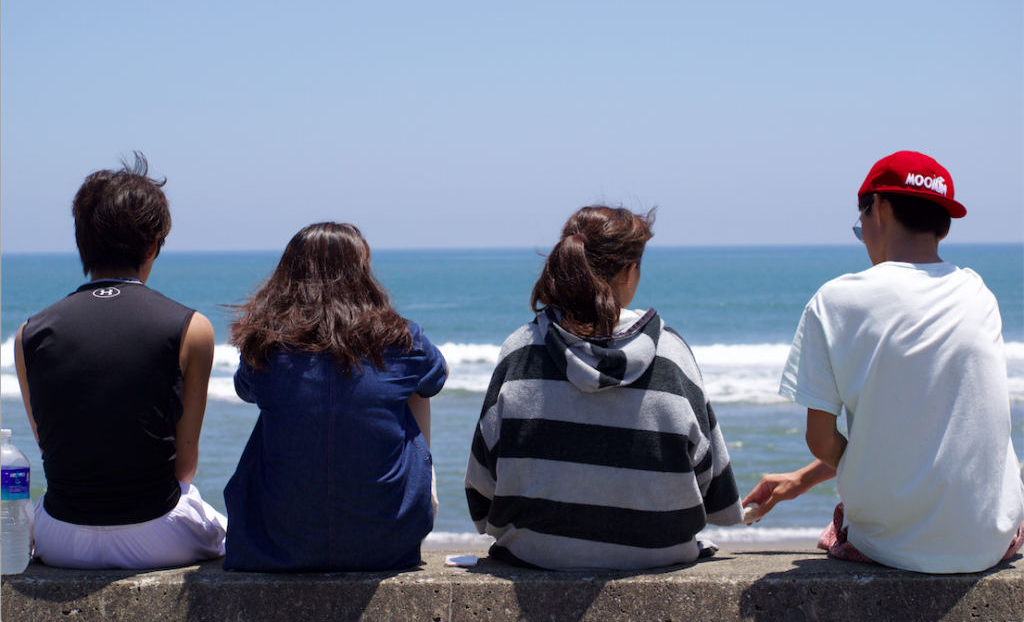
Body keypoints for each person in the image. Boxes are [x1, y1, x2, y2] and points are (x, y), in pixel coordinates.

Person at [744, 150, 1024, 574]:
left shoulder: (836, 301)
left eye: (862, 226)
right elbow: (923, 431)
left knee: (847, 526)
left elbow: (822, 440)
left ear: (880, 206)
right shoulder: (978, 293)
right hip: (993, 540)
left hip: (894, 548)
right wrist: (803, 479)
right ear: (942, 224)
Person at [464, 205, 743, 571]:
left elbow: (481, 488)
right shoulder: (671, 353)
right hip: (663, 555)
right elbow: (714, 490)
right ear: (629, 272)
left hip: (536, 554)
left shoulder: (520, 351)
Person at [15, 153, 226, 569]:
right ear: (153, 244)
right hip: (158, 534)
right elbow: (184, 468)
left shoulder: (29, 333)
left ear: (82, 243)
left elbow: (53, 447)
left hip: (60, 537)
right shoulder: (191, 328)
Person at [223, 222, 447, 572]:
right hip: (387, 545)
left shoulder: (264, 345)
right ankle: (422, 494)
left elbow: (245, 390)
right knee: (415, 389)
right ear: (362, 272)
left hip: (276, 546)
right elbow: (436, 378)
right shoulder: (404, 338)